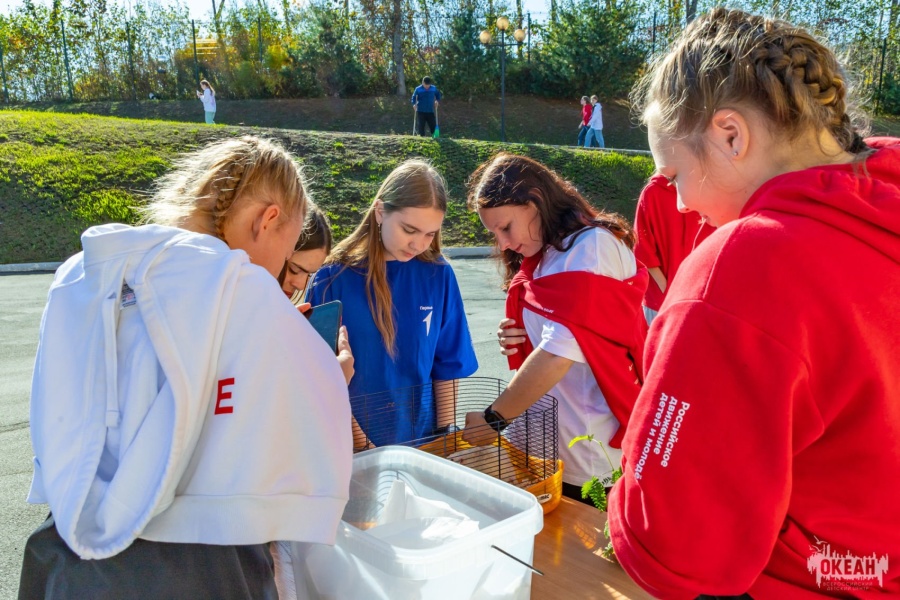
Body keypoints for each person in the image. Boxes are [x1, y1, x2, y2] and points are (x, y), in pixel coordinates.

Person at [608, 7, 900, 597]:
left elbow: (672, 543)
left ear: (731, 135)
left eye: (674, 174)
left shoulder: (746, 264)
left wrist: (624, 504)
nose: (681, 204)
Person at [19, 136, 353, 599]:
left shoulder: (82, 276)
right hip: (204, 565)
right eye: (288, 248)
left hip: (64, 558)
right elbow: (297, 438)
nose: (281, 272)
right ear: (267, 220)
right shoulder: (245, 288)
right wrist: (332, 378)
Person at [460, 153, 648, 502]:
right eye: (494, 233)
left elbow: (557, 355)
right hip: (545, 441)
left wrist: (494, 420)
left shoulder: (591, 247)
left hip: (588, 451)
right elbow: (557, 336)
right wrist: (519, 334)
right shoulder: (547, 252)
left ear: (535, 200)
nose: (502, 243)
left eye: (505, 227)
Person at [308, 159, 478, 450]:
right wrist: (365, 448)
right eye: (409, 230)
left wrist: (445, 435)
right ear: (380, 212)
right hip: (349, 448)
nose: (418, 244)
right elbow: (319, 378)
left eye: (430, 234)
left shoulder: (438, 274)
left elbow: (447, 363)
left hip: (422, 445)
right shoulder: (331, 278)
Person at [632, 174, 715, 325]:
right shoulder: (705, 190)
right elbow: (643, 251)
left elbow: (642, 250)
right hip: (673, 299)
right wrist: (669, 291)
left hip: (687, 298)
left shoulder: (652, 192)